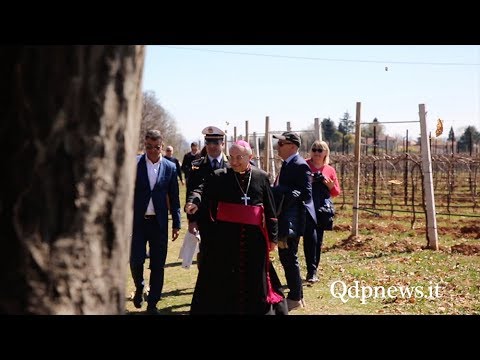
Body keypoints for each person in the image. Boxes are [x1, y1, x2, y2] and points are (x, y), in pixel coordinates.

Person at [185, 140, 287, 314]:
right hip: (226, 238)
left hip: (255, 239)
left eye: (239, 157)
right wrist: (194, 201)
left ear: (250, 156)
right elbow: (201, 190)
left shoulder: (261, 176)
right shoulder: (220, 176)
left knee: (255, 278)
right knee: (228, 279)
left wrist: (273, 239)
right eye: (231, 157)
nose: (234, 162)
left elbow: (270, 211)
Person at [130, 129, 181, 315]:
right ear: (145, 145)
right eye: (149, 147)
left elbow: (174, 198)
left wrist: (176, 223)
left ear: (162, 146)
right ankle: (139, 287)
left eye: (156, 147)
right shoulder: (135, 164)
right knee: (136, 260)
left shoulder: (170, 167)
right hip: (138, 222)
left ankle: (153, 304)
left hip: (159, 223)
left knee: (158, 265)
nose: (152, 151)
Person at [271, 131, 313, 312]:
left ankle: (295, 297)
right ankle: (297, 296)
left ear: (293, 147)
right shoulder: (289, 164)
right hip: (285, 219)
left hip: (291, 221)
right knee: (286, 258)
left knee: (289, 258)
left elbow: (306, 194)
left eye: (281, 144)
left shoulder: (299, 165)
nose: (277, 147)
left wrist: (282, 192)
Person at [185, 126, 228, 265]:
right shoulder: (196, 166)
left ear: (223, 143)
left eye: (215, 142)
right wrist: (192, 221)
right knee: (205, 254)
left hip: (227, 218)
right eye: (208, 142)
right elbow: (190, 192)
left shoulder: (231, 165)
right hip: (204, 217)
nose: (211, 146)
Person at [303, 140, 341, 283]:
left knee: (318, 240)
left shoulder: (329, 170)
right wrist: (310, 181)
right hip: (307, 205)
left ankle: (313, 271)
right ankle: (311, 270)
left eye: (320, 150)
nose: (317, 153)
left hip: (322, 208)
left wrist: (329, 184)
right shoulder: (304, 165)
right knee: (310, 238)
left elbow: (336, 192)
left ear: (326, 153)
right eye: (314, 149)